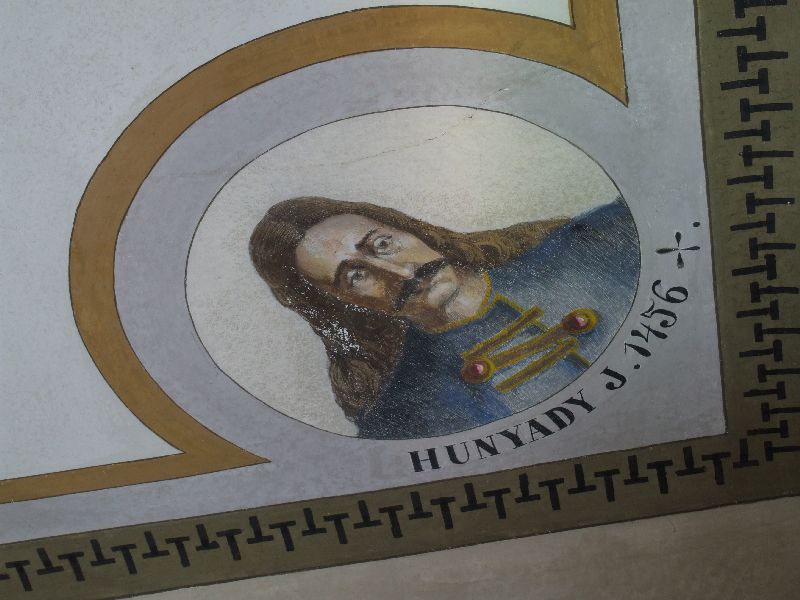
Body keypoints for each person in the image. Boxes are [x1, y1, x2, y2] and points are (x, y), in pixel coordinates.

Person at [250, 196, 639, 439]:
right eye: (356, 276)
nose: (401, 273)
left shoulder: (606, 237)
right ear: (342, 303)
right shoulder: (406, 419)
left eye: (382, 244)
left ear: (409, 229)